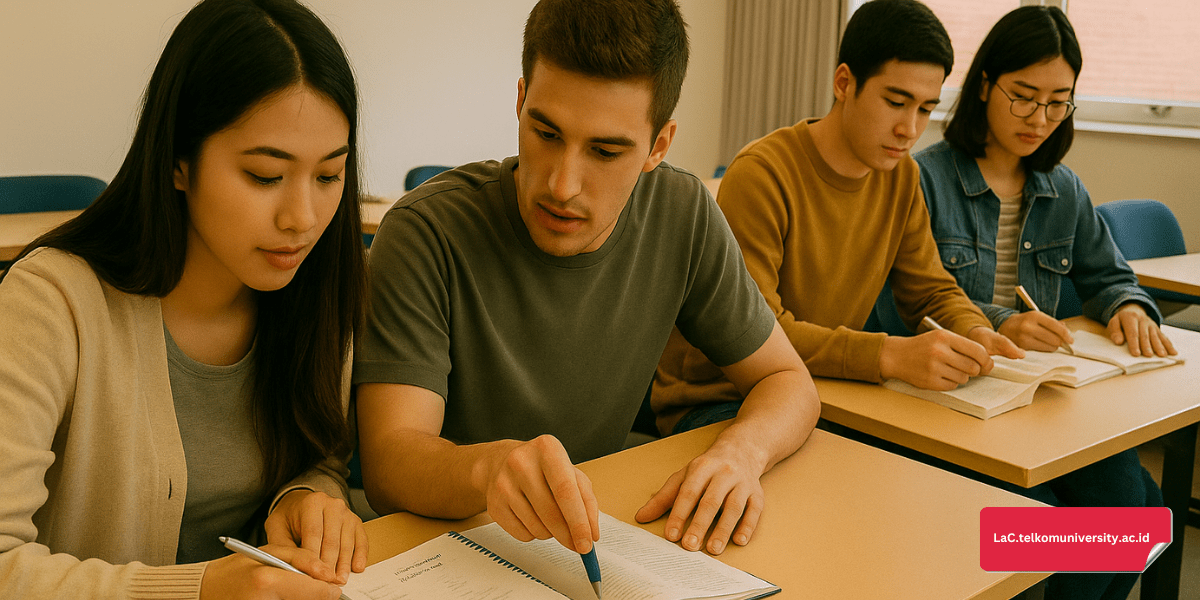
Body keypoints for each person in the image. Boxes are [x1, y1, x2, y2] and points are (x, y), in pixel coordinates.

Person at [354, 0, 819, 559]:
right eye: (546, 133)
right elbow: (388, 463)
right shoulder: (424, 232)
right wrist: (488, 468)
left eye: (605, 151)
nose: (562, 184)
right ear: (521, 100)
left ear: (659, 146)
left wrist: (741, 453)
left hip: (586, 543)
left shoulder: (683, 212)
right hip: (445, 551)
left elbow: (789, 382)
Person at [0, 1, 369, 598]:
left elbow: (320, 454)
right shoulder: (51, 305)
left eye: (329, 176)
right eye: (265, 176)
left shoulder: (314, 292)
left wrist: (309, 495)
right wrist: (199, 590)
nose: (303, 218)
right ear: (178, 162)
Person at [653, 0, 1024, 435]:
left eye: (925, 109)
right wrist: (888, 355)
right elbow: (756, 333)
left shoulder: (902, 177)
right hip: (721, 398)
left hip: (823, 392)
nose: (910, 129)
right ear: (844, 83)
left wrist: (975, 331)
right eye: (896, 101)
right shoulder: (762, 174)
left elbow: (929, 291)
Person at [914, 7, 1168, 599]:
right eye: (1024, 97)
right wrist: (1002, 321)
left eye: (1059, 102)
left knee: (1134, 505)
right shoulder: (924, 179)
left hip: (1046, 406)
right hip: (963, 405)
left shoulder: (1064, 189)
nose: (1040, 119)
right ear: (985, 85)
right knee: (1059, 528)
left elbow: (1111, 276)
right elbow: (913, 301)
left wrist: (1127, 305)